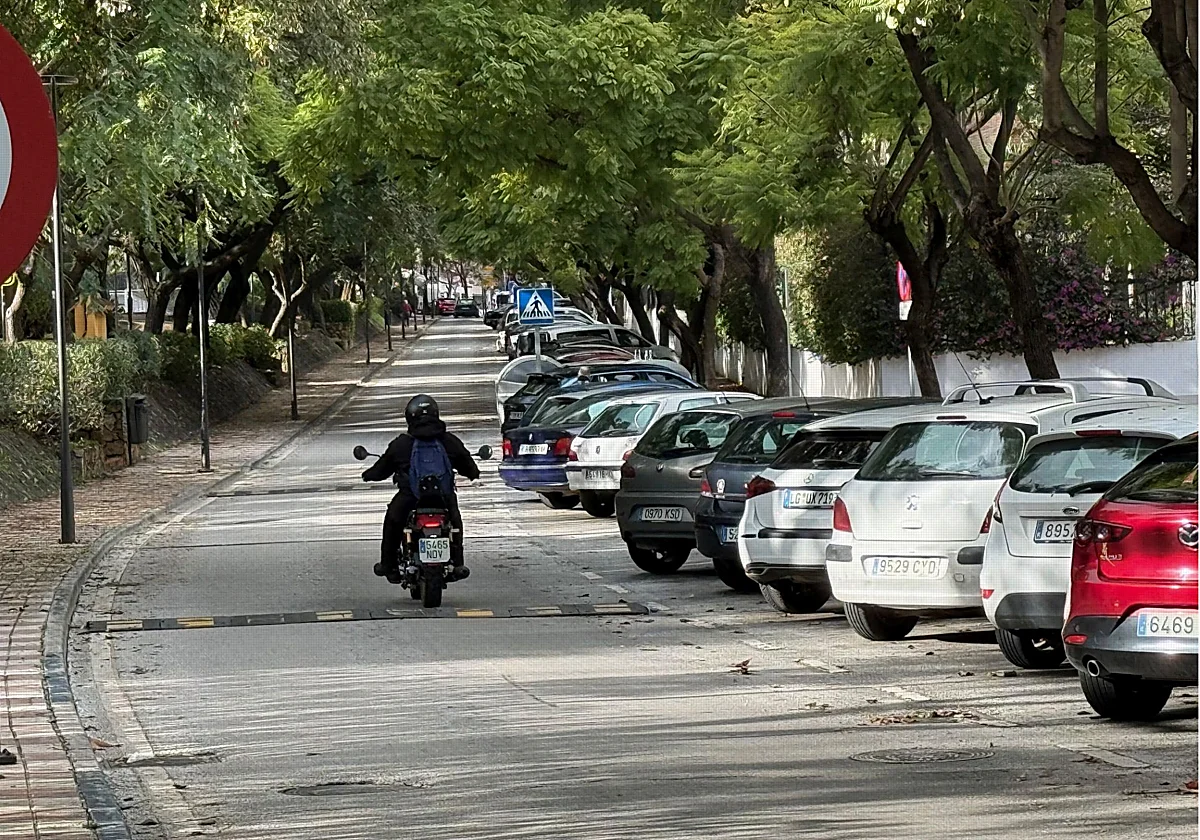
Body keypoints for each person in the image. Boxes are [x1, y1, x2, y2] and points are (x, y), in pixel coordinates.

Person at [362, 394, 480, 582]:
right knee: (455, 522)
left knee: (393, 520)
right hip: (443, 497)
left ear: (409, 417)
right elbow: (469, 466)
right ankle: (458, 564)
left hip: (411, 497)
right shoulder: (449, 441)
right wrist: (474, 473)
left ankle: (388, 564)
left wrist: (368, 475)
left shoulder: (402, 443)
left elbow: (382, 469)